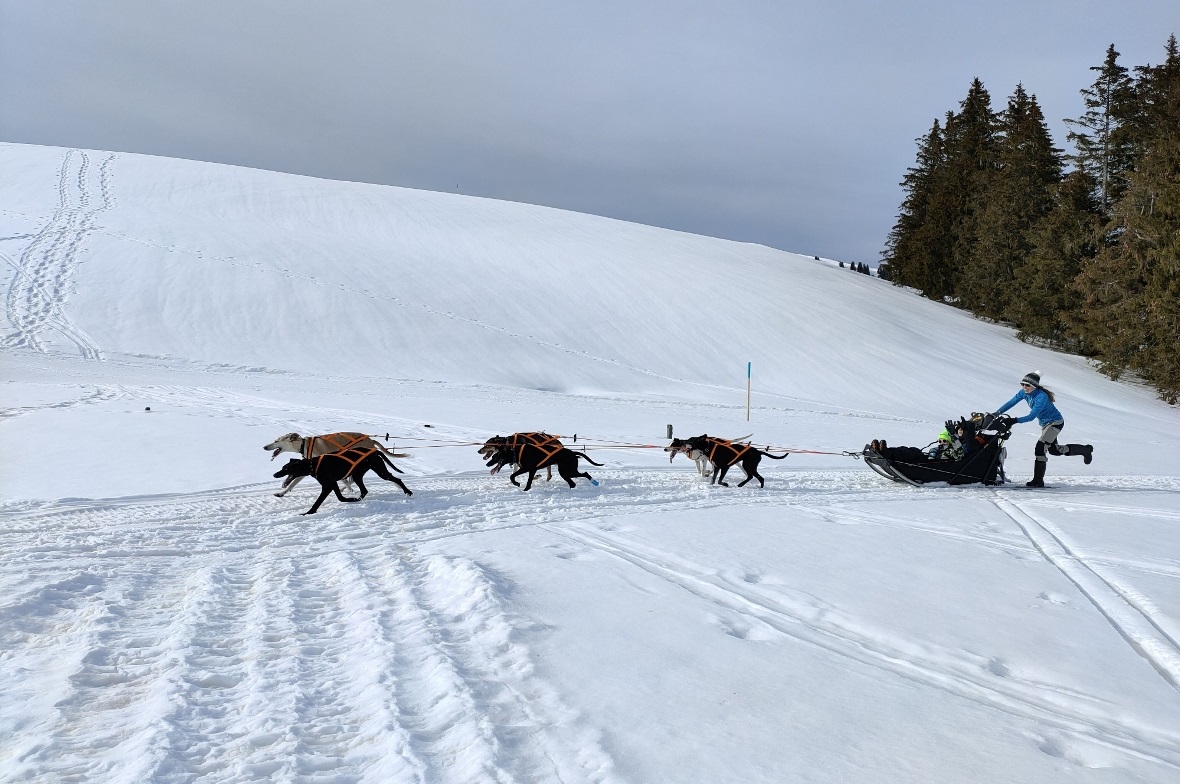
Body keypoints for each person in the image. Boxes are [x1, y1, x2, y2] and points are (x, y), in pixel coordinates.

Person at [993, 372, 1093, 487]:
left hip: (1055, 423)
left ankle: (1038, 481)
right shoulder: (1024, 393)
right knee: (1055, 451)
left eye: (1027, 385)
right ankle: (1085, 450)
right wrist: (996, 413)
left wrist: (1014, 420)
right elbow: (1011, 402)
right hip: (1046, 425)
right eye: (1022, 384)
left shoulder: (1041, 397)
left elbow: (1031, 417)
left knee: (1040, 448)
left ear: (1034, 386)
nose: (1024, 387)